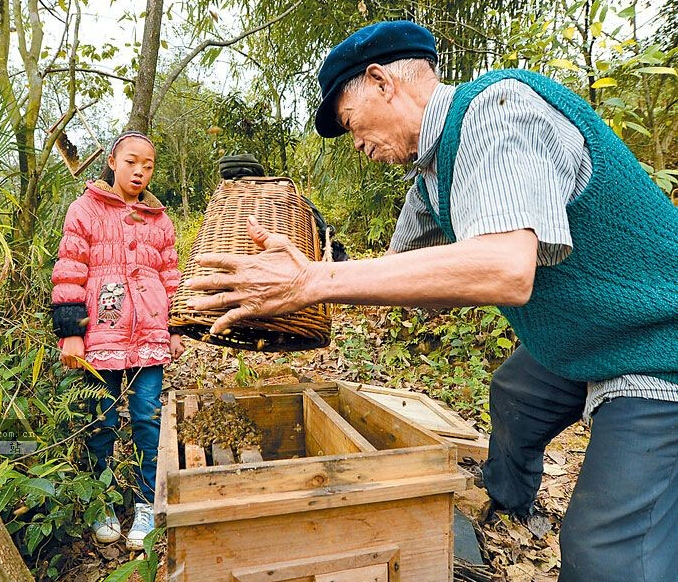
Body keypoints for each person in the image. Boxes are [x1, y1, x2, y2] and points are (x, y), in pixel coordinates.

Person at [185, 20, 678, 582]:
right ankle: (506, 502)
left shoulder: (499, 110)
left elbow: (504, 269)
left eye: (350, 123)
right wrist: (314, 267)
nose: (357, 145)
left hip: (656, 344)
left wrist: (315, 282)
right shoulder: (430, 178)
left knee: (606, 554)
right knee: (515, 392)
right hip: (583, 334)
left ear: (381, 82)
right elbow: (403, 280)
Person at [51, 130, 185, 549]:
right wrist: (71, 333)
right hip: (101, 335)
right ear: (112, 162)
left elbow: (171, 276)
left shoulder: (160, 220)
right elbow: (70, 270)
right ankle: (102, 501)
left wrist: (176, 328)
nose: (139, 171)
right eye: (131, 162)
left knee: (147, 416)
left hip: (149, 333)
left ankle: (146, 503)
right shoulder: (85, 209)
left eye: (148, 165)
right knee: (101, 418)